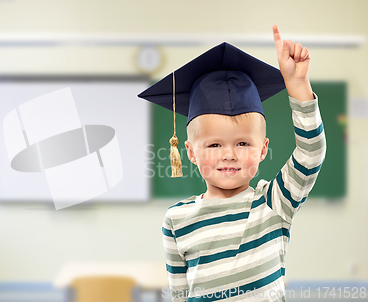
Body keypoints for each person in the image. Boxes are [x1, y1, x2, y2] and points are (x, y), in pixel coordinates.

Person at [137, 26, 327, 301]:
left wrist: (298, 85)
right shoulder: (177, 219)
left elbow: (311, 153)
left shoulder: (274, 202)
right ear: (190, 152)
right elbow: (179, 294)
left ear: (263, 150)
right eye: (214, 145)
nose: (229, 154)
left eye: (242, 143)